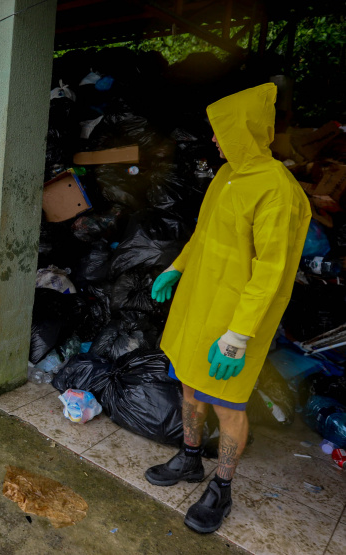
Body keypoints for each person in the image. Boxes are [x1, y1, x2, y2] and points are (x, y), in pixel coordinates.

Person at [146, 83, 310, 534]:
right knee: (190, 389)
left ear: (246, 131)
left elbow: (270, 273)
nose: (215, 140)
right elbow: (203, 234)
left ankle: (222, 487)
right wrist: (176, 268)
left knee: (230, 407)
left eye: (222, 131)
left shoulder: (278, 192)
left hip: (233, 319)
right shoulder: (227, 175)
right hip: (198, 304)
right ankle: (190, 458)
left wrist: (238, 335)